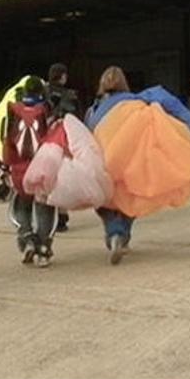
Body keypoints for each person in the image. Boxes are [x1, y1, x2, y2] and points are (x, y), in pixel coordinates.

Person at [3, 76, 57, 268]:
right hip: (41, 168)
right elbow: (53, 140)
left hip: (18, 169)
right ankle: (43, 249)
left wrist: (5, 167)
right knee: (45, 209)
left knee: (21, 207)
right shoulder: (46, 111)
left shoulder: (12, 110)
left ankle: (26, 238)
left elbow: (7, 142)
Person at [84, 66, 136, 265]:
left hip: (102, 161)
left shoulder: (94, 109)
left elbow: (87, 135)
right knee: (130, 201)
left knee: (104, 203)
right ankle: (122, 236)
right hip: (128, 161)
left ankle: (114, 233)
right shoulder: (134, 104)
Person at [45, 63, 80, 232]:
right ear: (62, 76)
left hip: (44, 140)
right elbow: (74, 117)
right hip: (62, 139)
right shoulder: (69, 95)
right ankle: (62, 215)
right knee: (62, 176)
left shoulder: (43, 92)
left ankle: (47, 213)